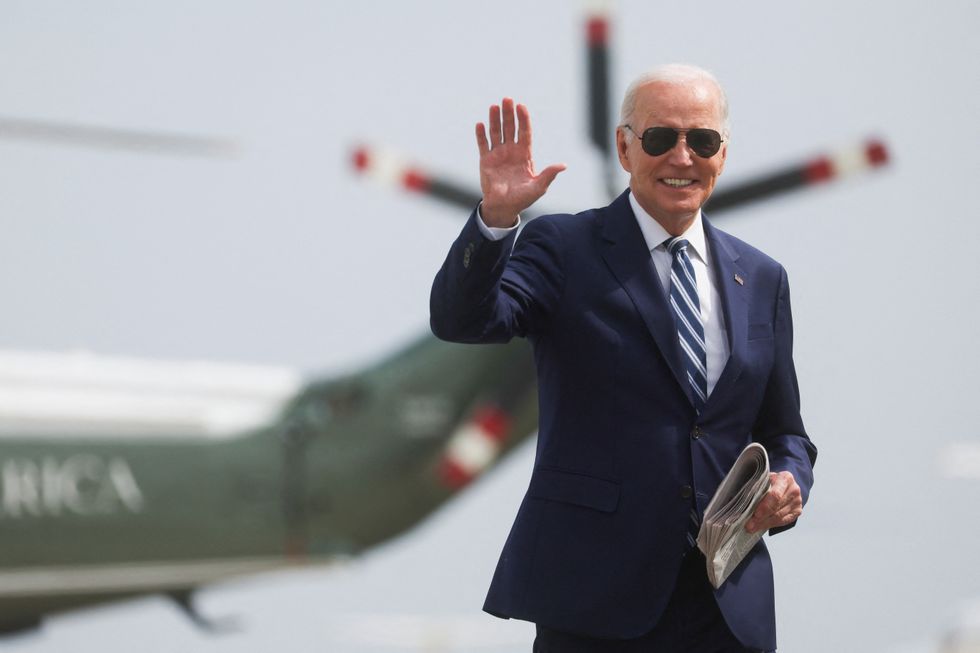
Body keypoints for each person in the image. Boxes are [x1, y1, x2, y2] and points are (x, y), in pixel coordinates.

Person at [430, 64, 817, 653]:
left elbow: (785, 431)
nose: (682, 158)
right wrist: (497, 220)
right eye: (661, 138)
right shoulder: (562, 247)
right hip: (595, 602)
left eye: (702, 140)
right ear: (624, 147)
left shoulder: (762, 278)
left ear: (723, 153)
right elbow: (465, 321)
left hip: (725, 608)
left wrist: (790, 481)